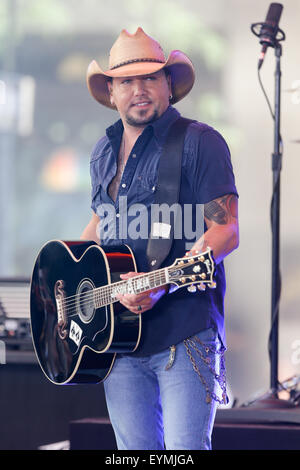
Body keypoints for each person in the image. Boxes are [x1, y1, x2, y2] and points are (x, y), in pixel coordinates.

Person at [81, 27, 239, 450]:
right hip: (119, 340)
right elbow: (101, 223)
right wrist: (63, 279)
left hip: (185, 332)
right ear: (112, 92)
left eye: (150, 77)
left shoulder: (200, 141)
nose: (139, 89)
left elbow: (224, 229)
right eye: (127, 81)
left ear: (169, 84)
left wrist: (165, 280)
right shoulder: (102, 151)